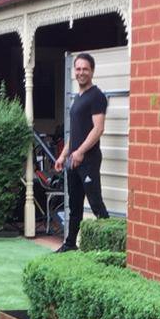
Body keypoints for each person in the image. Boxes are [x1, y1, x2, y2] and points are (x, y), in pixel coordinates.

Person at [54, 53, 109, 251]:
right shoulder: (78, 98)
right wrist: (63, 155)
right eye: (78, 69)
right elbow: (76, 133)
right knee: (74, 205)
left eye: (85, 69)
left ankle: (111, 247)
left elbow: (98, 128)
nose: (81, 72)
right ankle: (70, 244)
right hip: (73, 161)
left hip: (88, 160)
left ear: (92, 71)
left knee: (96, 204)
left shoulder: (97, 96)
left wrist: (80, 152)